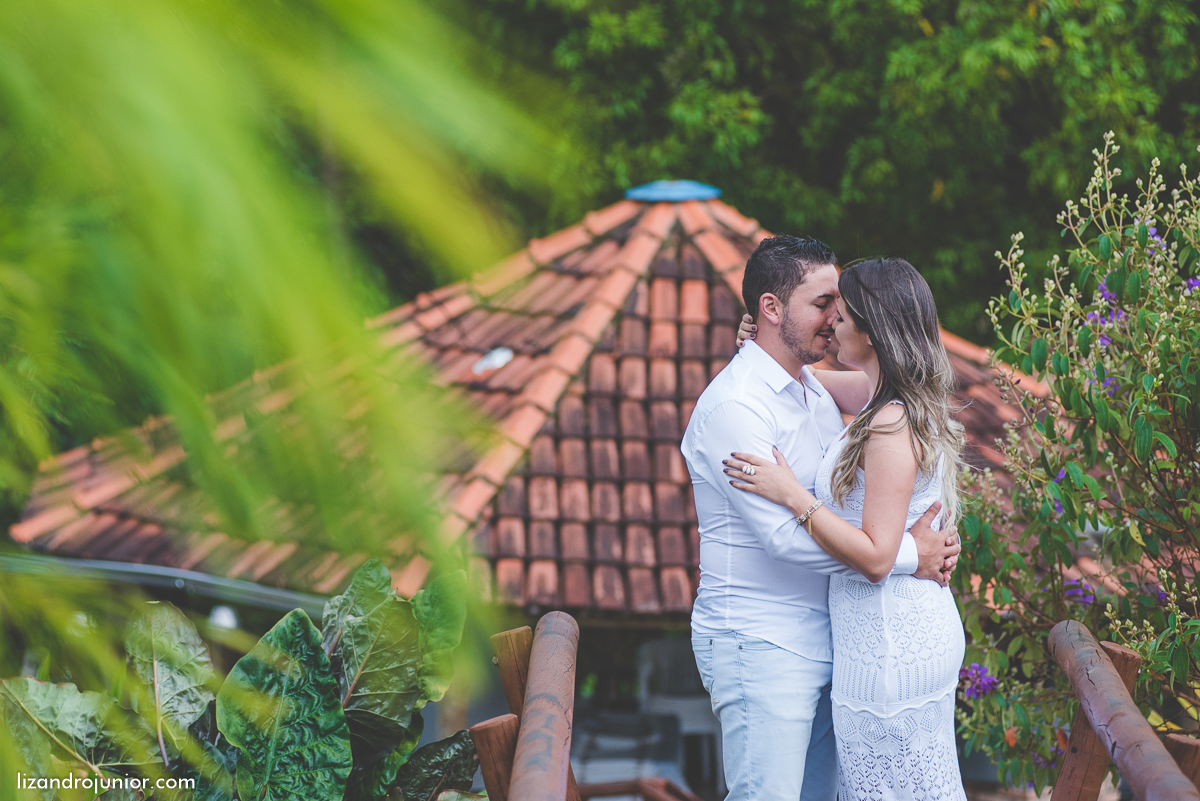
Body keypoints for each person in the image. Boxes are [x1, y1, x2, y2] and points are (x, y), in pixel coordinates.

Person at [680, 236, 961, 801]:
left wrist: (896, 551)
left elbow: (893, 381)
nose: (835, 319)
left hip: (841, 640)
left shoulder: (812, 389)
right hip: (763, 642)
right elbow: (785, 540)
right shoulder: (738, 408)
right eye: (822, 303)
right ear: (771, 308)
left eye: (842, 307)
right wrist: (909, 555)